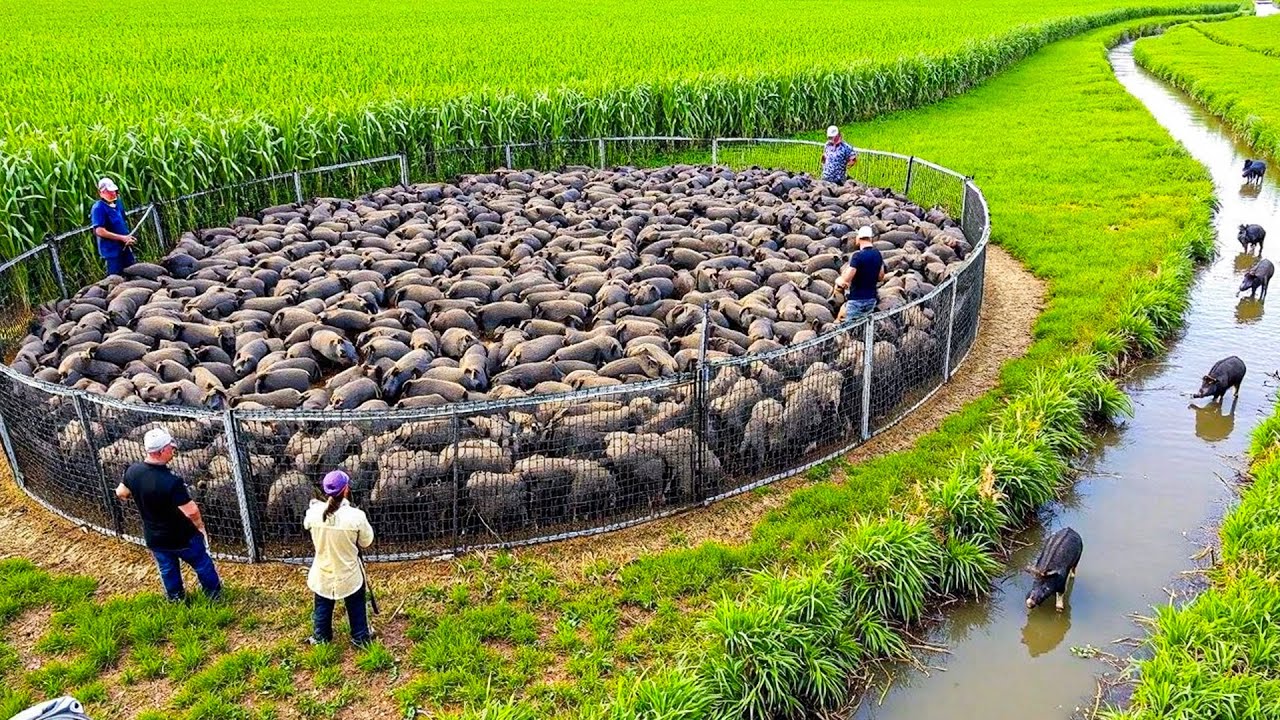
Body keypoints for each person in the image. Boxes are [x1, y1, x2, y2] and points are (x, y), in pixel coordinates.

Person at [115, 427, 222, 602]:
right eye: (170, 447)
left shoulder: (133, 471)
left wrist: (141, 495)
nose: (173, 450)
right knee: (202, 564)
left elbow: (121, 493)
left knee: (167, 568)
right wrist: (200, 527)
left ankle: (175, 598)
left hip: (154, 536)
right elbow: (191, 511)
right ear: (162, 451)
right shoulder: (171, 481)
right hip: (181, 537)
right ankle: (214, 596)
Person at [304, 470, 375, 647]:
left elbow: (308, 524)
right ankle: (360, 637)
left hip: (323, 573)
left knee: (322, 605)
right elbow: (366, 542)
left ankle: (321, 637)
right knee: (356, 603)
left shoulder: (313, 513)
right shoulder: (356, 516)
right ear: (346, 490)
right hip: (348, 573)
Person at [834, 226, 885, 323]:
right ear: (870, 238)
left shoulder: (857, 256)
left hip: (857, 300)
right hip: (871, 299)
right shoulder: (877, 254)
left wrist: (838, 280)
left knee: (851, 329)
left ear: (859, 238)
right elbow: (881, 277)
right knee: (865, 326)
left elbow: (846, 279)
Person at [90, 177, 137, 276]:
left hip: (125, 247)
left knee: (132, 273)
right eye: (109, 192)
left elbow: (122, 221)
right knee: (116, 278)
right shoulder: (98, 208)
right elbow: (99, 231)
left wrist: (127, 237)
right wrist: (121, 238)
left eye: (114, 191)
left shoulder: (118, 203)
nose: (113, 193)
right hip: (112, 251)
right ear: (101, 192)